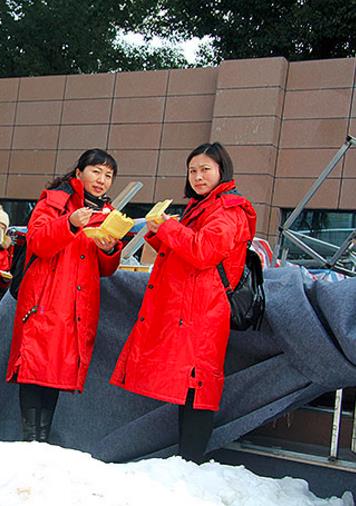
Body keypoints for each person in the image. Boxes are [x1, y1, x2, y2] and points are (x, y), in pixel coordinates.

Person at [110, 142, 257, 463]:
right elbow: (186, 249)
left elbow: (204, 251)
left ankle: (191, 462)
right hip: (192, 311)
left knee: (196, 388)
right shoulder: (203, 207)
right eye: (193, 170)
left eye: (206, 169)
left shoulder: (229, 209)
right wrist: (157, 231)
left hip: (203, 312)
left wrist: (168, 227)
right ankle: (189, 463)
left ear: (222, 171)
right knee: (189, 388)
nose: (198, 177)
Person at [7, 148, 122, 442]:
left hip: (77, 304)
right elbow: (38, 241)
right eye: (96, 171)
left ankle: (40, 442)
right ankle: (32, 441)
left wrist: (110, 249)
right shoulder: (55, 199)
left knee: (56, 371)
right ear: (79, 172)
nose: (102, 180)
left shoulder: (105, 213)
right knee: (36, 366)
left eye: (108, 175)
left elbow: (105, 269)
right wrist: (70, 223)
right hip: (47, 298)